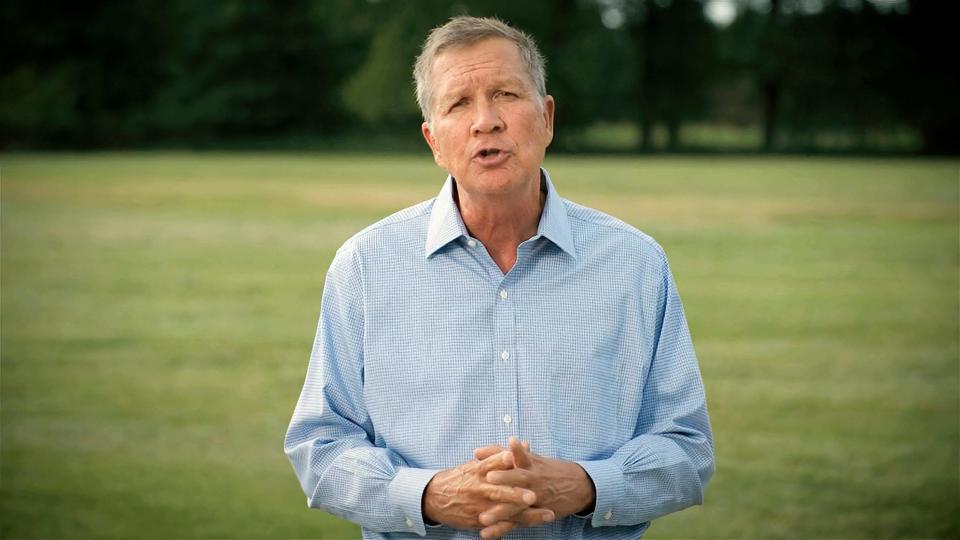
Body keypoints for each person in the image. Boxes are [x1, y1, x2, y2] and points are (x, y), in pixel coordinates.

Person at [284, 15, 714, 539]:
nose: (485, 121)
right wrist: (428, 496)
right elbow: (321, 447)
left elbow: (686, 449)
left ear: (547, 117)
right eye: (458, 103)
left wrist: (585, 486)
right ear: (433, 141)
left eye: (506, 94)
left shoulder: (635, 264)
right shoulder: (365, 267)